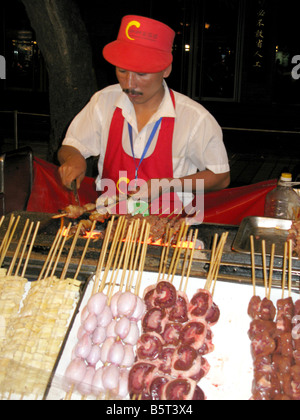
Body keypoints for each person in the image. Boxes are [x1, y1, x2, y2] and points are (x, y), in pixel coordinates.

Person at [58, 15, 230, 217]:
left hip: (167, 229)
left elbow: (221, 177)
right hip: (109, 222)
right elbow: (70, 147)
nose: (129, 83)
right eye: (122, 71)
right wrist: (73, 158)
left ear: (166, 69)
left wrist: (169, 185)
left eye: (141, 74)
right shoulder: (103, 102)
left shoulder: (194, 118)